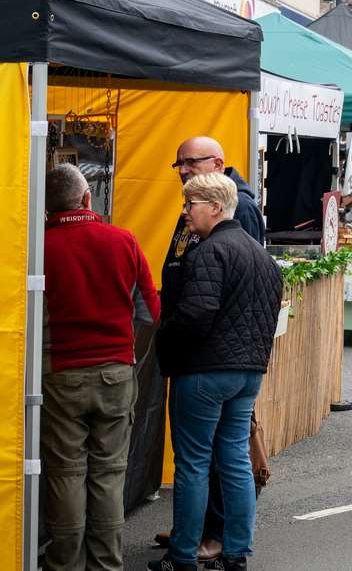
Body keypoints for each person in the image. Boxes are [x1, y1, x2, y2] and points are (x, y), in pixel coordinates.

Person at [153, 173, 283, 571]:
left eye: (190, 204)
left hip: (204, 371)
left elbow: (196, 314)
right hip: (248, 372)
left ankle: (183, 556)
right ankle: (236, 553)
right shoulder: (263, 257)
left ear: (214, 207)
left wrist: (164, 335)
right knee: (235, 459)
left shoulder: (208, 252)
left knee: (193, 463)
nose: (185, 212)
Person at [43, 164, 159, 571]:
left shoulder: (38, 248)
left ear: (46, 207)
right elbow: (150, 311)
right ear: (87, 197)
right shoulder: (123, 240)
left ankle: (64, 563)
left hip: (60, 373)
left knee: (65, 473)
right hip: (115, 372)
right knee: (109, 472)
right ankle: (106, 563)